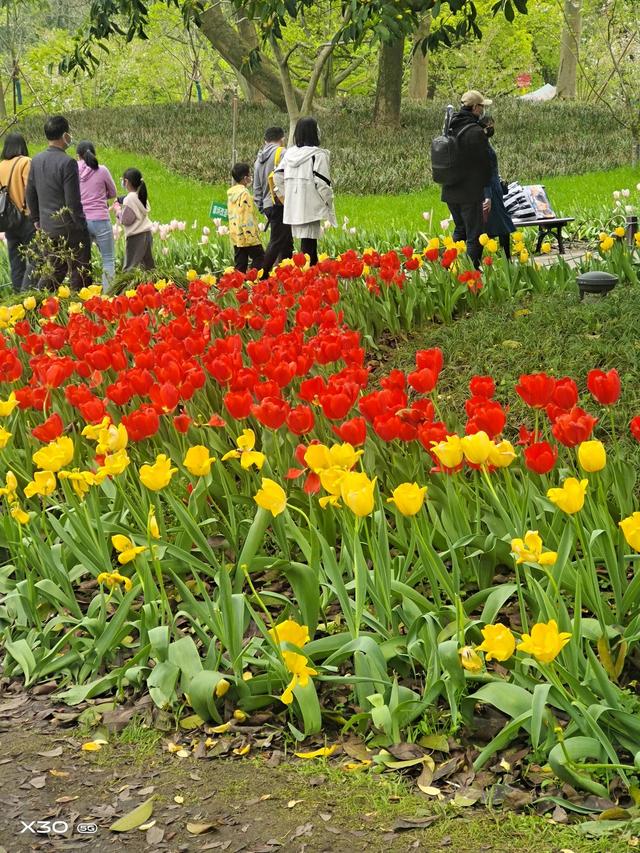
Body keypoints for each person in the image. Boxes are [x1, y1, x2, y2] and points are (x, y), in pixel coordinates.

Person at [25, 114, 92, 290]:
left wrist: (36, 220)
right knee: (81, 270)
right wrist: (82, 225)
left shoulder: (37, 160)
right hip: (68, 227)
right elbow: (72, 201)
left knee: (54, 270)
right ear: (65, 135)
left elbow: (30, 192)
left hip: (47, 226)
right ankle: (83, 307)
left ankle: (38, 302)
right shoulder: (67, 162)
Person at [274, 116, 336, 267]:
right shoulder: (318, 155)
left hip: (294, 206)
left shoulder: (289, 154)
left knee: (305, 243)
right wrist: (328, 202)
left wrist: (288, 197)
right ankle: (308, 279)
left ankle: (304, 275)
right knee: (309, 244)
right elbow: (322, 184)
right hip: (311, 206)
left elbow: (277, 176)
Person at [441, 90, 492, 269]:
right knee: (474, 235)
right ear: (476, 108)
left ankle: (445, 268)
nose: (483, 110)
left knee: (460, 229)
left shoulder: (449, 126)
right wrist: (487, 191)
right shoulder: (475, 131)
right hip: (469, 192)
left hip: (449, 189)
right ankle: (471, 272)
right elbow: (484, 163)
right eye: (482, 106)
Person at [76, 140, 117, 290]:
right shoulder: (102, 170)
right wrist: (100, 196)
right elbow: (113, 193)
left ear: (77, 156)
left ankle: (84, 295)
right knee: (108, 259)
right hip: (100, 219)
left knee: (82, 261)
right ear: (93, 153)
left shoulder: (73, 170)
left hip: (81, 221)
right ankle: (109, 295)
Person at [253, 126, 293, 275]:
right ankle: (260, 275)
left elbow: (256, 187)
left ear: (266, 140)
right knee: (277, 241)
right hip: (280, 203)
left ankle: (286, 274)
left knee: (286, 241)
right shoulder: (282, 153)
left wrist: (262, 207)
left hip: (268, 205)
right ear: (282, 139)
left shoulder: (259, 159)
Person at [0, 132, 35, 291]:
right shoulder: (26, 162)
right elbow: (30, 189)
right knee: (36, 259)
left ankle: (16, 298)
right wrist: (33, 213)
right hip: (26, 217)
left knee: (16, 261)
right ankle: (29, 295)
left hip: (8, 220)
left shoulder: (1, 165)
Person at [480, 116, 514, 259]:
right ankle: (506, 259)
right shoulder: (481, 146)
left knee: (499, 225)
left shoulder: (485, 143)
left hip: (495, 189)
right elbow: (484, 172)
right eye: (489, 125)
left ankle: (506, 258)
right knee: (499, 225)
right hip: (490, 191)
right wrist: (488, 194)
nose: (492, 127)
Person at [227, 162, 265, 273]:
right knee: (260, 258)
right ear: (245, 178)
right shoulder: (245, 194)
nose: (250, 177)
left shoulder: (231, 194)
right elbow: (245, 216)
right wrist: (251, 237)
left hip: (236, 235)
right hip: (247, 235)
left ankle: (238, 287)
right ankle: (253, 282)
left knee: (241, 263)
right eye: (249, 175)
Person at [117, 168, 154, 272]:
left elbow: (127, 220)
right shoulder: (141, 196)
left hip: (136, 236)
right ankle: (152, 286)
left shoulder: (129, 199)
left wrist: (118, 212)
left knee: (129, 267)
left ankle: (126, 288)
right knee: (148, 268)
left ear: (126, 182)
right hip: (147, 234)